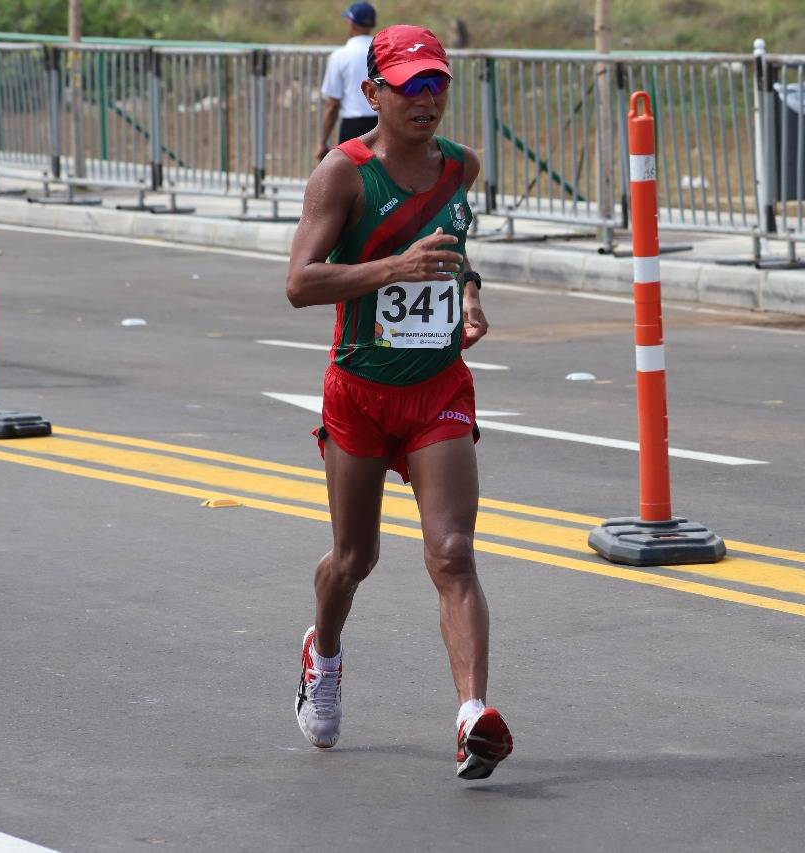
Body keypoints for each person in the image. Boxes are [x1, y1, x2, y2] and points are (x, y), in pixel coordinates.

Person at [286, 24, 513, 781]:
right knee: (355, 559)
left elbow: (453, 248)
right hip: (360, 390)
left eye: (437, 83)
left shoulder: (461, 167)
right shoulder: (343, 175)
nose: (426, 98)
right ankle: (324, 652)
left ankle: (472, 716)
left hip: (437, 389)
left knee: (452, 552)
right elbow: (300, 282)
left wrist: (468, 294)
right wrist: (393, 269)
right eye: (411, 85)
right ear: (373, 92)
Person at [316, 2, 378, 161]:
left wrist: (322, 141)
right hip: (382, 124)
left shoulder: (340, 56)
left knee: (352, 174)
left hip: (353, 127)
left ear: (351, 23)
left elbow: (332, 104)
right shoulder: (382, 52)